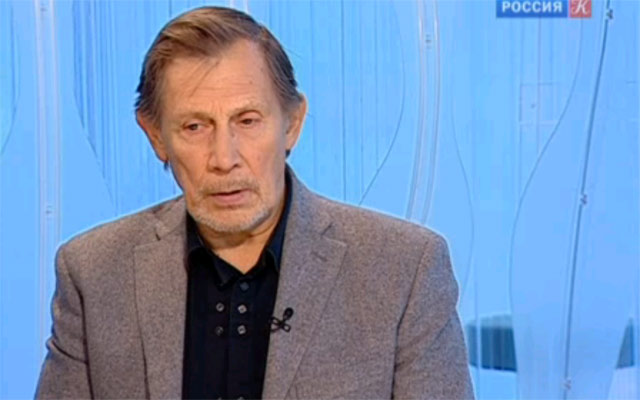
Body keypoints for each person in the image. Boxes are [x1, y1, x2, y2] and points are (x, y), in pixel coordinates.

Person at [36, 6, 473, 400]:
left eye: (247, 121)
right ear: (155, 136)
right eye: (194, 127)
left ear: (292, 124)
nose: (224, 158)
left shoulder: (404, 271)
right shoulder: (93, 273)